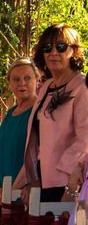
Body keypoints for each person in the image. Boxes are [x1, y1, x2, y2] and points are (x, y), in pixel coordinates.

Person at [15, 24, 88, 203]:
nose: (53, 52)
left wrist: (70, 185)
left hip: (66, 184)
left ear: (74, 52)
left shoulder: (82, 87)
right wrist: (26, 180)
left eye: (61, 47)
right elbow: (37, 138)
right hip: (42, 181)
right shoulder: (46, 87)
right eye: (47, 48)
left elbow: (85, 139)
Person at [0, 58, 39, 225]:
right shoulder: (10, 112)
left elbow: (38, 153)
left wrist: (30, 183)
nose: (22, 83)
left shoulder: (38, 112)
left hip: (23, 193)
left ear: (37, 79)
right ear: (9, 83)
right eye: (16, 79)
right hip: (4, 192)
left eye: (27, 78)